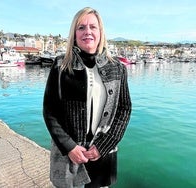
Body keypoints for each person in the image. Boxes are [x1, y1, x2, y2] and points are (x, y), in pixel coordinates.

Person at [43, 7, 132, 188]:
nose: (87, 32)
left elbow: (124, 109)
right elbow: (50, 110)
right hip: (69, 154)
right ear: (74, 34)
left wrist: (104, 145)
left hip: (103, 154)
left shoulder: (117, 68)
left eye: (93, 27)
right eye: (81, 27)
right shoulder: (60, 66)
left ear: (101, 32)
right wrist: (69, 147)